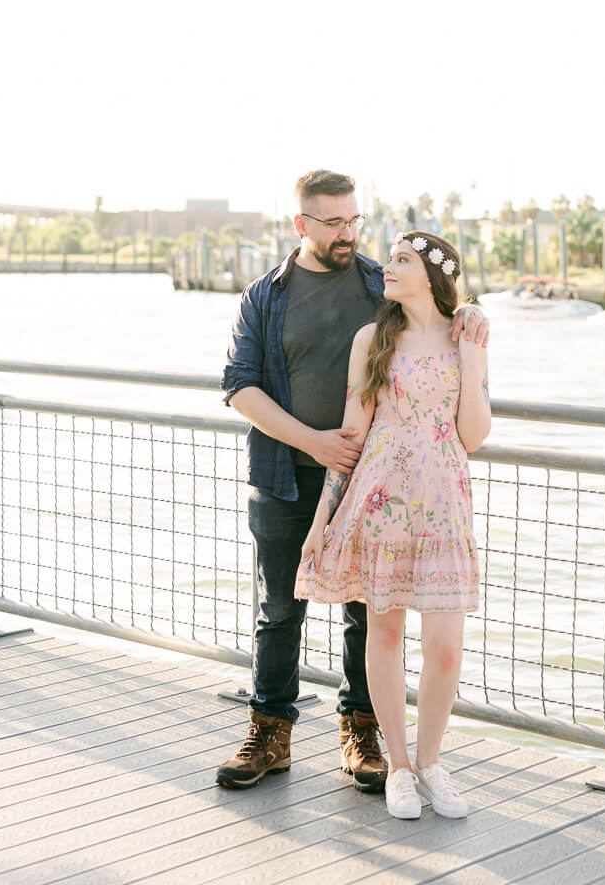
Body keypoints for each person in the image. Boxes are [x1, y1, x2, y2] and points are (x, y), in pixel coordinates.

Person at [216, 171, 488, 791]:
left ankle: (362, 734)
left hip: (377, 481)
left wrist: (470, 311)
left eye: (354, 220)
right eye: (333, 222)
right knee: (281, 608)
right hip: (287, 473)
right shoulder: (265, 295)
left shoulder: (377, 283)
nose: (347, 233)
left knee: (369, 616)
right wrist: (312, 441)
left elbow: (436, 316)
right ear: (301, 225)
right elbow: (238, 384)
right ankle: (270, 733)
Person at [294, 230, 491, 819]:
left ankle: (431, 763)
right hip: (381, 502)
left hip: (444, 506)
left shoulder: (467, 336)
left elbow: (474, 437)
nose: (387, 267)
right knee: (383, 635)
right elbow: (353, 434)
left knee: (446, 649)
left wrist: (474, 359)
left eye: (401, 260)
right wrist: (321, 518)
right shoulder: (371, 338)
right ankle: (399, 769)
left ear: (433, 275)